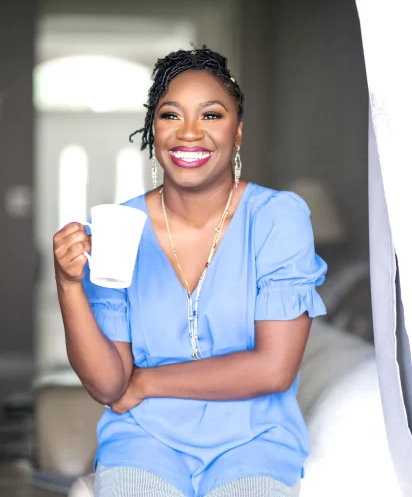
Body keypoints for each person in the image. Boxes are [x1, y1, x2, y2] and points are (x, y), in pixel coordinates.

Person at [53, 46, 327, 497]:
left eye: (212, 115)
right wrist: (69, 285)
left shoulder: (278, 218)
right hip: (143, 441)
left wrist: (145, 382)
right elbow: (107, 384)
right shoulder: (119, 227)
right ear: (152, 129)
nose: (190, 134)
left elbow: (274, 369)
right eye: (171, 115)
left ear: (238, 131)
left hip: (254, 443)